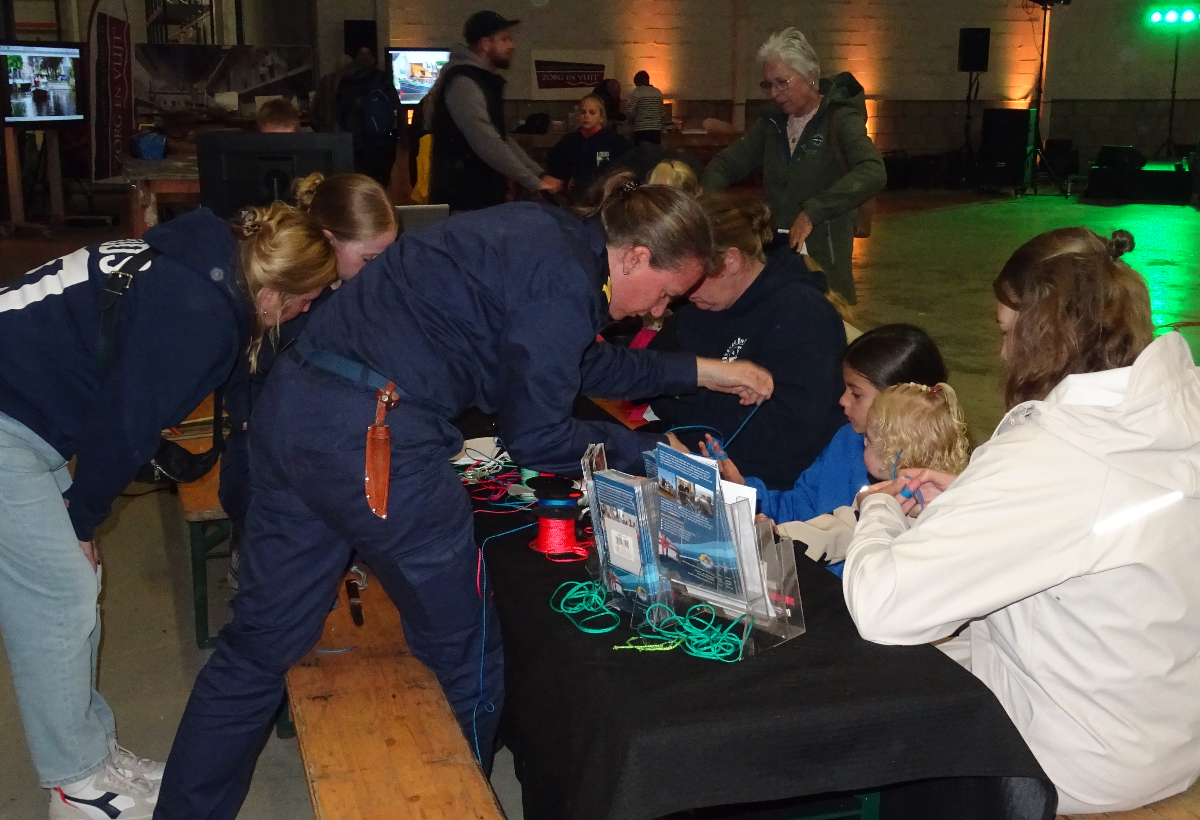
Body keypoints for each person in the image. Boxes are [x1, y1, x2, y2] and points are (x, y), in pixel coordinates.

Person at [154, 174, 774, 819]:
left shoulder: (547, 235)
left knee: (257, 647)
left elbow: (573, 366)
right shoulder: (566, 280)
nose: (656, 314)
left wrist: (703, 371)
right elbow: (539, 437)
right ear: (637, 256)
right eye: (666, 294)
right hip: (375, 442)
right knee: (466, 653)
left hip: (294, 413)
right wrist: (658, 453)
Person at [844, 228, 1200, 813]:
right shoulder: (1164, 410)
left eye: (1009, 335)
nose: (1003, 355)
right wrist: (971, 499)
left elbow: (884, 608)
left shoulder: (1054, 453)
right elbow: (1104, 518)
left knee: (884, 670)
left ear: (1045, 339)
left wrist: (878, 504)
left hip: (1082, 757)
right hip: (1162, 729)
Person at [0, 205, 338, 820]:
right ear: (271, 292)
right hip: (11, 416)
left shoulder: (210, 268)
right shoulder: (196, 313)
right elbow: (124, 425)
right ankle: (74, 786)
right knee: (58, 598)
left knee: (74, 588)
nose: (309, 312)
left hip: (31, 410)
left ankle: (93, 754)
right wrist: (81, 519)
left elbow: (244, 389)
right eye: (306, 300)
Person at [218, 173, 397, 586]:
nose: (382, 270)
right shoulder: (282, 291)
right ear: (331, 240)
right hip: (268, 445)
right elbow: (240, 382)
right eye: (371, 258)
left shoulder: (361, 295)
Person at [648, 194, 844, 490]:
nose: (684, 294)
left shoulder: (801, 314)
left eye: (694, 280)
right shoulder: (700, 309)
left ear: (731, 261)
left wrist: (690, 400)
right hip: (699, 463)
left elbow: (791, 432)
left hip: (772, 490)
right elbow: (651, 375)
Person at [702, 27, 886, 305]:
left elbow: (873, 170)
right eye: (768, 85)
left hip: (825, 255)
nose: (774, 93)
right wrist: (709, 209)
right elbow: (724, 165)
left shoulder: (840, 119)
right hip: (778, 255)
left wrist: (813, 211)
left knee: (829, 321)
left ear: (810, 76)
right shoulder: (771, 124)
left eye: (781, 82)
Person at [709, 323, 948, 524]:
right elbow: (801, 505)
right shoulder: (846, 440)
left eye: (856, 394)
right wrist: (745, 491)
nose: (842, 400)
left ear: (900, 402)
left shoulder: (935, 483)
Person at [427, 10, 560, 211]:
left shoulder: (483, 81)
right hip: (464, 198)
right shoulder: (464, 83)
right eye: (505, 39)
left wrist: (539, 175)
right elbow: (486, 141)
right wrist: (534, 182)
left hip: (480, 195)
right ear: (485, 44)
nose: (512, 45)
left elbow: (501, 138)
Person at [336, 46, 402, 189]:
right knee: (381, 184)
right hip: (382, 142)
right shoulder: (382, 78)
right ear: (372, 59)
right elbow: (396, 107)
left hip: (355, 143)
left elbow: (339, 112)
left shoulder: (345, 81)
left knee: (359, 184)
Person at [545, 93, 632, 201]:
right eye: (583, 112)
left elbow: (627, 167)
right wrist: (565, 181)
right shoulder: (570, 140)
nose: (586, 116)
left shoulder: (614, 141)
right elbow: (554, 162)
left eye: (592, 112)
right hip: (575, 197)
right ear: (578, 116)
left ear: (601, 117)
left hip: (604, 196)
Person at [628, 70, 666, 144]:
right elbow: (663, 113)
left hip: (641, 129)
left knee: (641, 153)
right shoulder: (657, 92)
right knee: (654, 153)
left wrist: (629, 122)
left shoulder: (637, 92)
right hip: (656, 130)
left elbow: (630, 111)